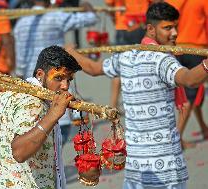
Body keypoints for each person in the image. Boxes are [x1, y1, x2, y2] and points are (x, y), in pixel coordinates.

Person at [66, 2, 208, 188]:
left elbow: (93, 69)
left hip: (136, 170)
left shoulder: (127, 56)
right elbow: (189, 79)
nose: (174, 33)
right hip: (165, 169)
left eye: (175, 27)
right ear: (150, 29)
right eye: (167, 28)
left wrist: (71, 52)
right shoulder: (163, 60)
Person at [0, 45, 81, 189]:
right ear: (40, 74)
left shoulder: (4, 96)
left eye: (69, 79)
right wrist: (54, 115)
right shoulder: (35, 104)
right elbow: (19, 152)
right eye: (59, 78)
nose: (65, 86)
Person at [13, 0, 97, 146]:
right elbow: (90, 19)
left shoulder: (22, 21)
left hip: (32, 81)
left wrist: (21, 80)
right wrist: (88, 8)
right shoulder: (56, 16)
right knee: (59, 125)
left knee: (37, 121)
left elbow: (20, 61)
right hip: (56, 77)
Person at [165, 0, 208, 149]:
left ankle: (204, 128)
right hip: (197, 50)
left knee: (190, 92)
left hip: (177, 49)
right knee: (190, 95)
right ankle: (176, 138)